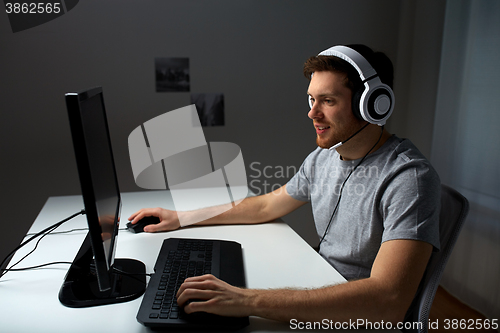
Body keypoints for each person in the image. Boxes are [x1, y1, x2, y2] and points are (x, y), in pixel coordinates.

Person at [128, 44, 441, 325]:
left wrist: (247, 301)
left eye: (327, 101)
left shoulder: (408, 179)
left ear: (372, 105)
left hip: (356, 315)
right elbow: (266, 204)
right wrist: (182, 217)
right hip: (321, 287)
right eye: (311, 99)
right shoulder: (325, 157)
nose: (311, 113)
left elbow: (388, 303)